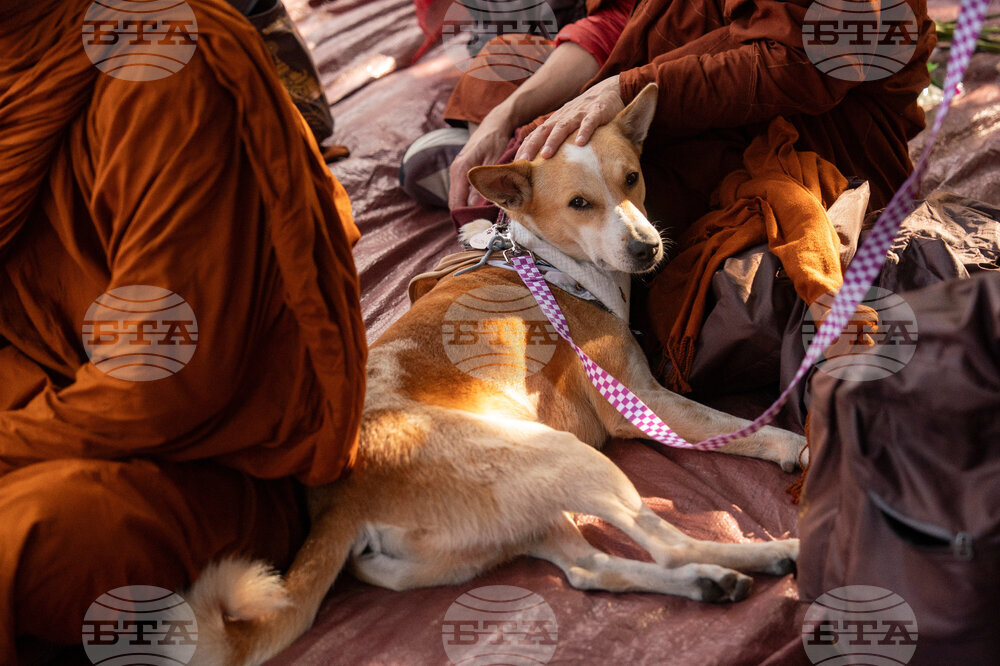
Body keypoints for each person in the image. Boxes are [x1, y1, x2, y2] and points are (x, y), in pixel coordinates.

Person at [0, 0, 365, 660]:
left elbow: (161, 385)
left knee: (28, 539)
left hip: (201, 460)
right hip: (35, 418)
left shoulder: (159, 63)